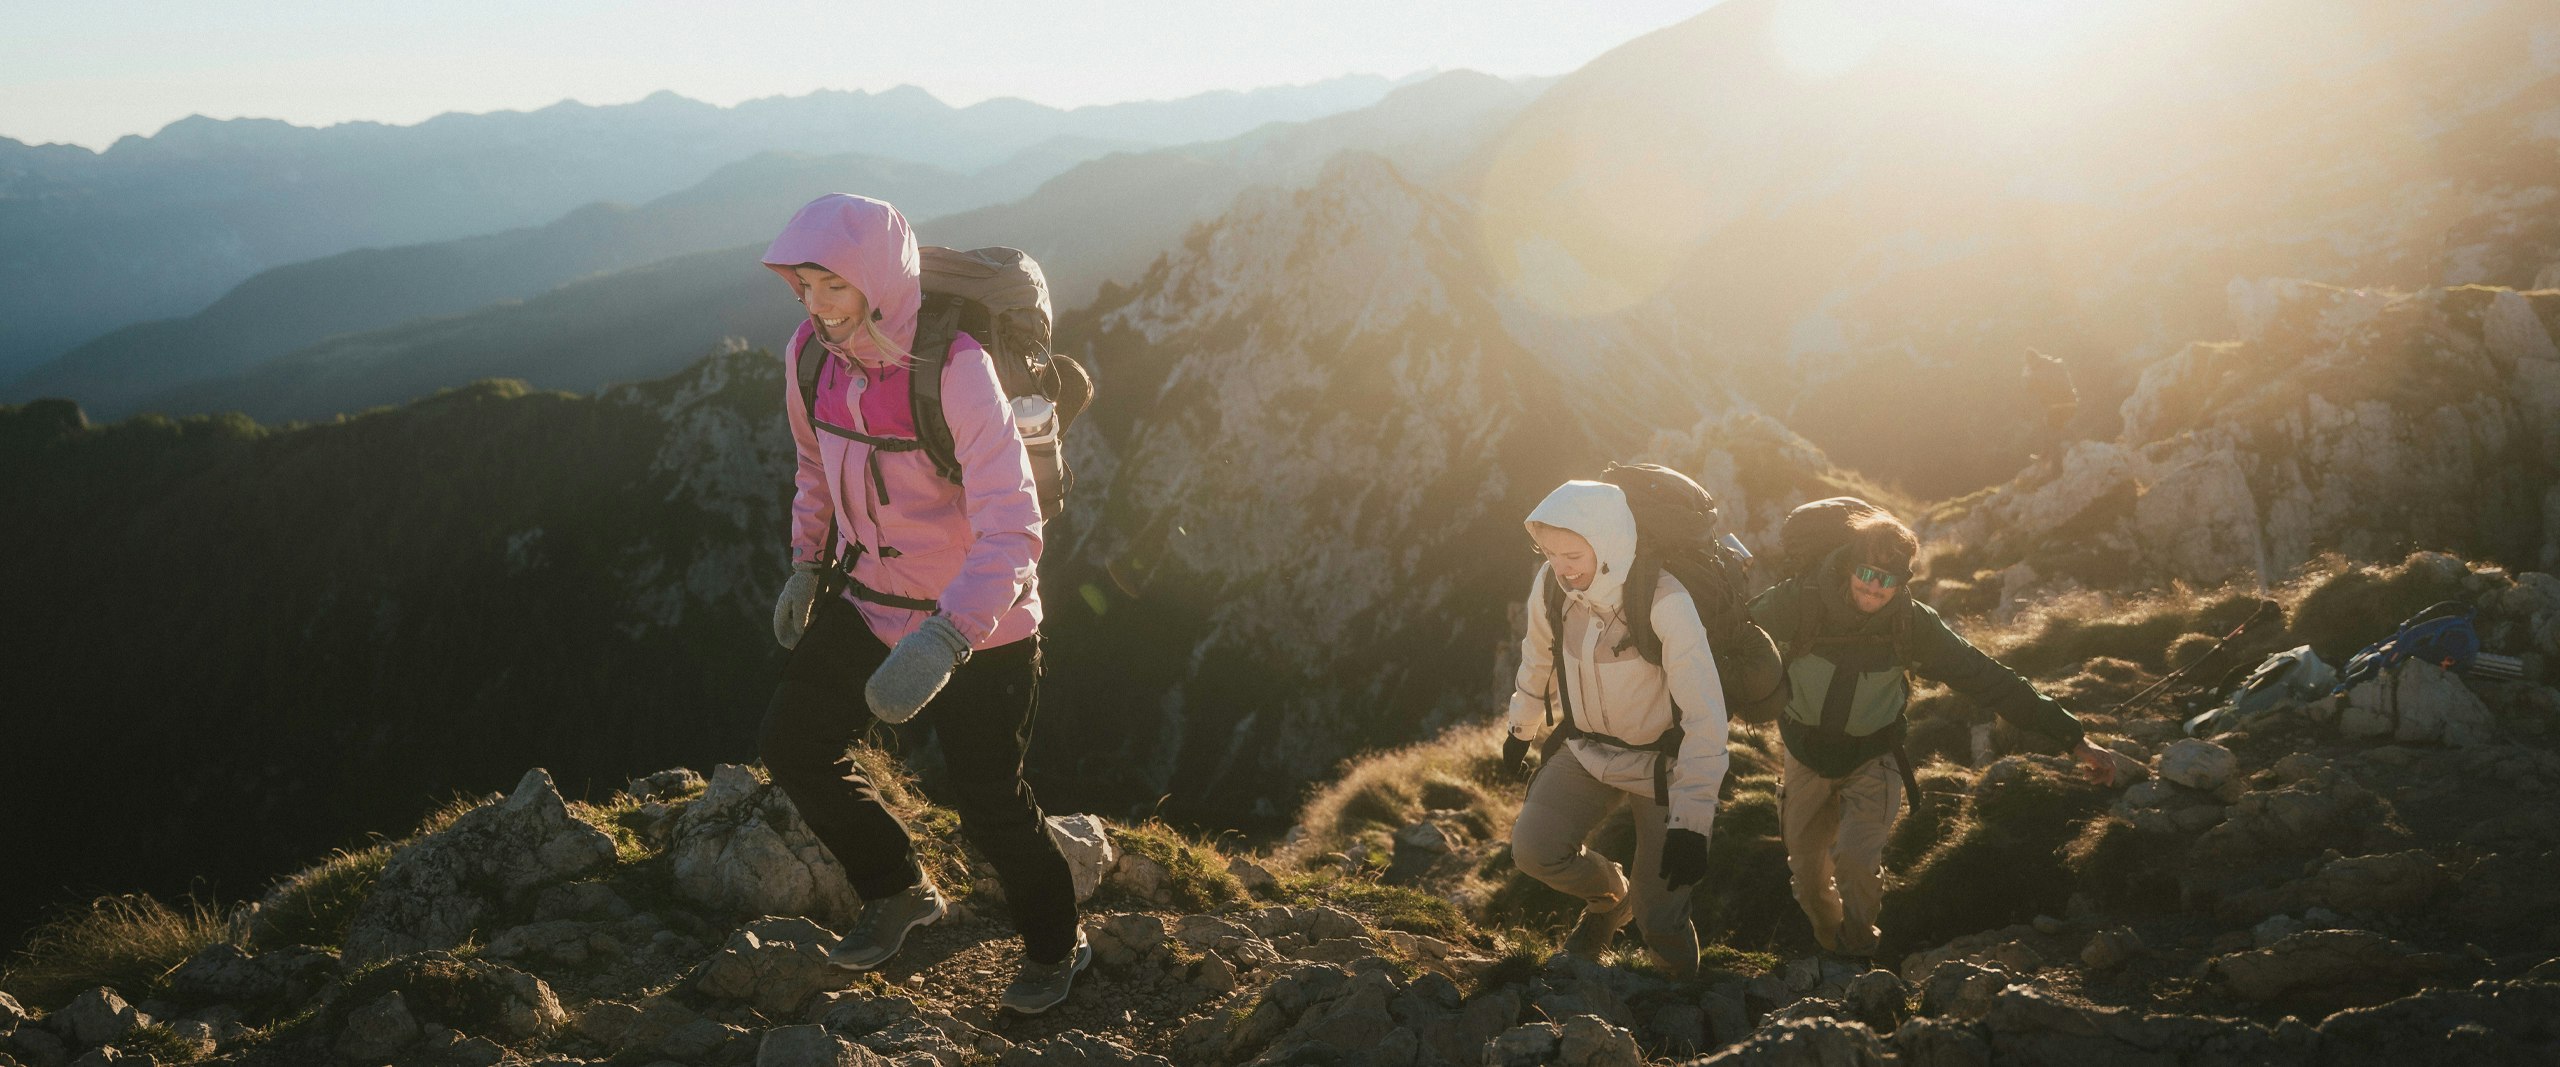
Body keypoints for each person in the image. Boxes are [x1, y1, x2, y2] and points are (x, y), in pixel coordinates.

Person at [754, 193, 1085, 1014]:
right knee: (795, 742)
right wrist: (805, 566)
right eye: (802, 284)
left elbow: (1016, 523)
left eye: (832, 285)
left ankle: (1055, 945)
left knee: (990, 804)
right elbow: (811, 470)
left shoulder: (957, 367)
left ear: (874, 278)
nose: (814, 305)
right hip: (870, 599)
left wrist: (946, 639)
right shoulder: (808, 356)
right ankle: (898, 889)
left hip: (983, 624)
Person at [1750, 507, 2113, 963]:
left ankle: (1859, 950)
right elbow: (1731, 644)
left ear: (1904, 582)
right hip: (1804, 753)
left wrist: (2074, 739)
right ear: (1847, 565)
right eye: (1867, 573)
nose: (1875, 587)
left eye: (1890, 579)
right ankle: (1829, 939)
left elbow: (1987, 677)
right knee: (1805, 875)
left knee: (1858, 863)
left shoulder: (1911, 624)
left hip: (1874, 755)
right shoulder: (1796, 602)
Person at [1501, 479, 1730, 979]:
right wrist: (1521, 728)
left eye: (1573, 553)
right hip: (1585, 749)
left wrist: (1692, 823)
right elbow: (1536, 658)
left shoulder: (1665, 600)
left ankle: (1678, 998)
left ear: (1606, 542)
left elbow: (1706, 719)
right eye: (1549, 552)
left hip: (1662, 767)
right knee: (1534, 850)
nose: (1562, 566)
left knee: (1661, 916)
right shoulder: (1550, 587)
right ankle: (1610, 899)